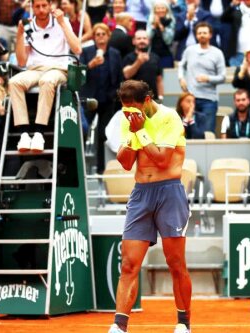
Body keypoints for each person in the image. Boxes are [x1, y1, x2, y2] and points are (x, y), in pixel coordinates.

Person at [108, 80, 192, 333]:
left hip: (169, 192)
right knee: (128, 264)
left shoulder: (169, 117)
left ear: (146, 100)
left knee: (175, 262)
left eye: (133, 109)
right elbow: (125, 163)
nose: (129, 115)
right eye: (125, 111)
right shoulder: (129, 119)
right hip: (141, 194)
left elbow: (163, 160)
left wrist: (141, 130)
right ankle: (119, 325)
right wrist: (133, 131)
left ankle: (183, 323)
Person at [8, 0, 81, 153]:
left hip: (58, 69)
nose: (41, 10)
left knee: (47, 80)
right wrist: (20, 35)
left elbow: (77, 49)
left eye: (44, 5)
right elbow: (22, 61)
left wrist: (62, 22)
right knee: (14, 82)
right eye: (37, 6)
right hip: (35, 69)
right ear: (32, 8)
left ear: (50, 6)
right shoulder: (28, 25)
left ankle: (39, 133)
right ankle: (24, 134)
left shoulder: (62, 21)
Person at [80, 23, 122, 174]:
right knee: (83, 131)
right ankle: (81, 167)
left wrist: (115, 95)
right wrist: (90, 65)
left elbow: (119, 77)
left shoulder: (115, 54)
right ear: (93, 37)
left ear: (108, 36)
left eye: (103, 34)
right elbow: (79, 74)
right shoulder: (86, 52)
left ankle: (102, 169)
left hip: (107, 99)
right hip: (88, 99)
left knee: (104, 134)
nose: (100, 37)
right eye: (97, 34)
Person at [178, 21, 226, 134]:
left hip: (209, 100)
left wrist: (208, 78)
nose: (202, 35)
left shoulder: (217, 53)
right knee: (187, 131)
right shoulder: (189, 50)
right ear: (196, 35)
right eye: (199, 33)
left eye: (204, 33)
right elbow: (181, 65)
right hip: (191, 98)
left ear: (210, 35)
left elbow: (223, 77)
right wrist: (181, 78)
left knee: (207, 132)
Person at [123, 30, 164, 101]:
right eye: (139, 38)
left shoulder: (155, 57)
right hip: (133, 100)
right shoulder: (128, 58)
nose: (142, 41)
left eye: (144, 38)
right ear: (133, 41)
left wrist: (161, 97)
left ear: (148, 41)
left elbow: (159, 80)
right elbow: (126, 75)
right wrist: (138, 62)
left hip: (152, 100)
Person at [147, 0, 176, 69]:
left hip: (166, 53)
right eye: (158, 8)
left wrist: (160, 25)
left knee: (167, 77)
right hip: (152, 53)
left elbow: (168, 40)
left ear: (167, 10)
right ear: (154, 10)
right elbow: (148, 37)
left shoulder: (171, 21)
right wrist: (154, 26)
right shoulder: (150, 21)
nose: (160, 10)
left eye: (162, 8)